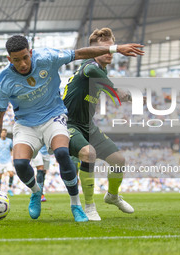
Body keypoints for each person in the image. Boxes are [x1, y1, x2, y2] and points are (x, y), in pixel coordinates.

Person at [0, 35, 144, 222]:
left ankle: (77, 205)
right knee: (20, 164)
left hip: (54, 117)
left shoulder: (47, 57)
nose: (23, 63)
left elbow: (80, 53)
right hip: (26, 124)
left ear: (31, 53)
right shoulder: (3, 81)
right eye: (16, 60)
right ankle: (36, 192)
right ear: (9, 59)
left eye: (25, 57)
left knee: (64, 154)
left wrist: (115, 48)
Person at [63, 28, 139, 221]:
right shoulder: (89, 66)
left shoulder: (101, 71)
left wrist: (129, 96)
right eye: (105, 49)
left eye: (112, 48)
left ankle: (112, 196)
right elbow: (90, 70)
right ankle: (89, 206)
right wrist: (115, 89)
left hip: (88, 126)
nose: (109, 52)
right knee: (89, 154)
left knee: (118, 160)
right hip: (68, 124)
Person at [0, 128, 14, 196]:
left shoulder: (9, 141)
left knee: (11, 173)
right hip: (0, 161)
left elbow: (12, 149)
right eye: (3, 132)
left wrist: (12, 157)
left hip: (8, 160)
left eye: (5, 132)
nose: (4, 134)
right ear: (0, 133)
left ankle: (9, 188)